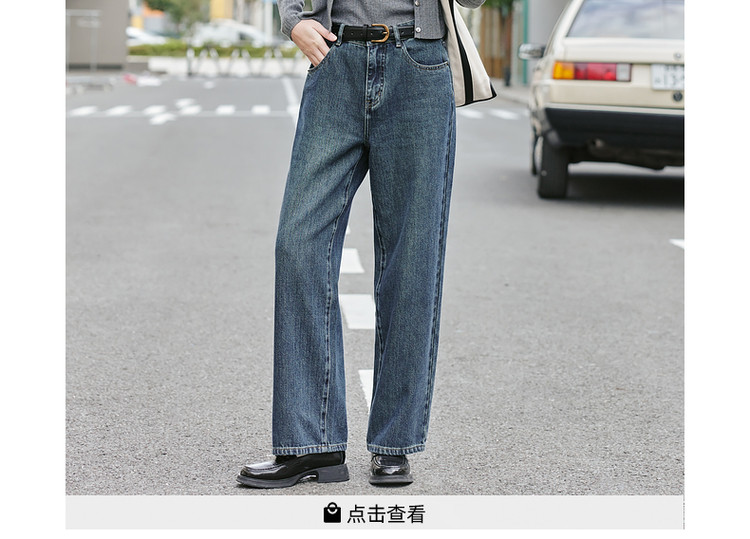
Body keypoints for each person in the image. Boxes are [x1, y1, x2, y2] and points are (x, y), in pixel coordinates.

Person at [237, 0, 487, 489]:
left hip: (418, 65)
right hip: (336, 62)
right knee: (298, 246)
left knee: (411, 260)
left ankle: (395, 444)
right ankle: (313, 443)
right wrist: (293, 21)